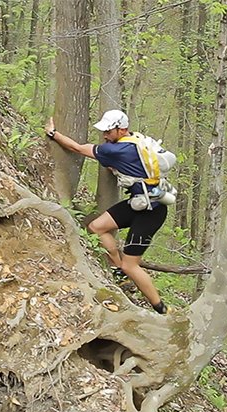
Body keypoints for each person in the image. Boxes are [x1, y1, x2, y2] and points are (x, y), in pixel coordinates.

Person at [45, 110, 170, 314]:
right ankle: (118, 270)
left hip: (151, 213)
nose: (104, 135)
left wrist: (53, 133)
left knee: (132, 266)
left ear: (121, 129)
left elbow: (76, 148)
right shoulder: (136, 139)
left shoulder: (116, 150)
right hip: (140, 202)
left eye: (108, 131)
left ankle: (161, 308)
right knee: (96, 227)